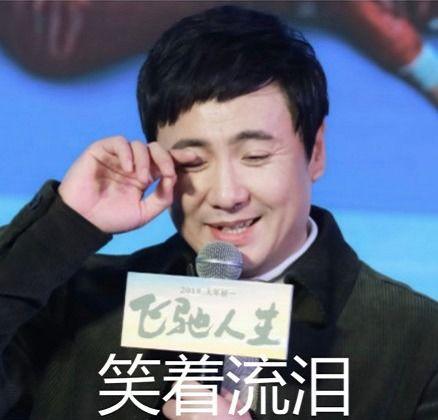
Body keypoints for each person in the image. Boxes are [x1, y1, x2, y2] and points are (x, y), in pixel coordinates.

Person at [0, 5, 437, 420]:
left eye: (255, 156)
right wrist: (63, 224)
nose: (227, 195)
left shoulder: (417, 342)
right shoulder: (73, 306)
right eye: (192, 162)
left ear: (316, 151)